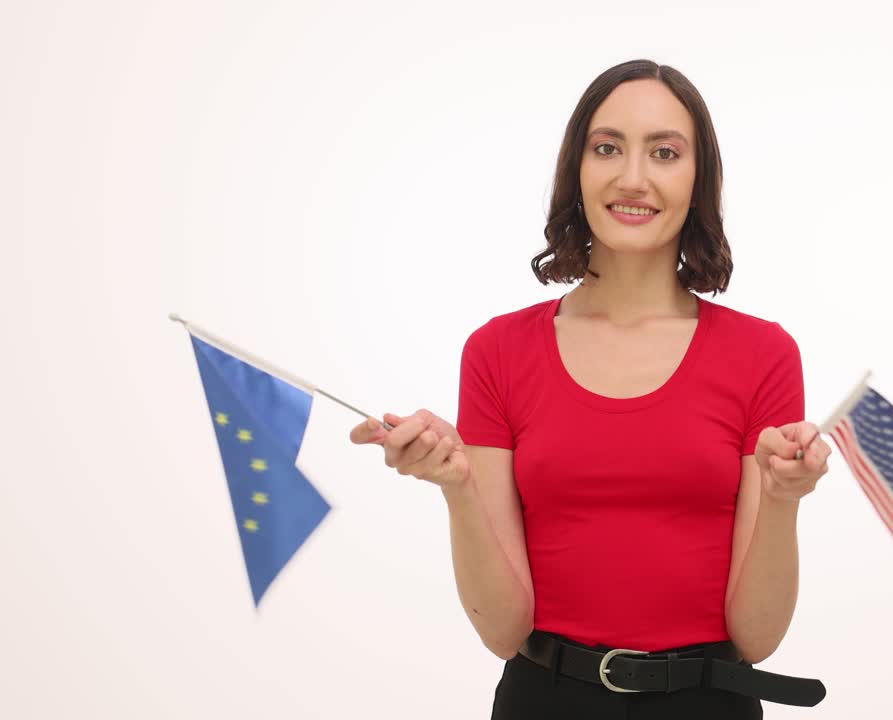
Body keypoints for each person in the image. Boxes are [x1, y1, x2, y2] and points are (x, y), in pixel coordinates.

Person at [349, 59, 832, 718]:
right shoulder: (497, 352)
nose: (632, 177)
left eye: (664, 153)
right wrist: (457, 488)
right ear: (576, 169)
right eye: (607, 148)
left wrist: (781, 498)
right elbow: (503, 631)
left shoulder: (762, 355)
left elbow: (758, 638)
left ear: (699, 181)